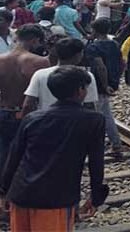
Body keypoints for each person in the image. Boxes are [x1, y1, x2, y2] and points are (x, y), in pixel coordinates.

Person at [0, 66, 108, 232]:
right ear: (80, 90)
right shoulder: (93, 120)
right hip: (56, 198)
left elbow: (14, 157)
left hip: (21, 194)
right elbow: (96, 161)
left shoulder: (32, 118)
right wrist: (96, 197)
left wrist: (4, 191)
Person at [0, 25, 50, 173]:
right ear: (35, 40)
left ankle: (3, 186)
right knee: (27, 154)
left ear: (16, 38)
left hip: (4, 110)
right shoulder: (39, 62)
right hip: (28, 113)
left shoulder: (1, 60)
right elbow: (42, 94)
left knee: (3, 151)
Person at [23, 38, 99, 116]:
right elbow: (89, 105)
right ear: (79, 55)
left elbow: (28, 105)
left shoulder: (40, 74)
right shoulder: (86, 76)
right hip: (76, 123)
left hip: (46, 122)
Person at [85, 18, 124, 156]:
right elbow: (121, 63)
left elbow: (100, 66)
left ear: (94, 30)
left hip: (99, 84)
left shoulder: (93, 47)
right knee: (105, 113)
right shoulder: (114, 44)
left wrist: (105, 84)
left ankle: (103, 145)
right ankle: (116, 144)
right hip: (111, 80)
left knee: (100, 115)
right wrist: (116, 80)